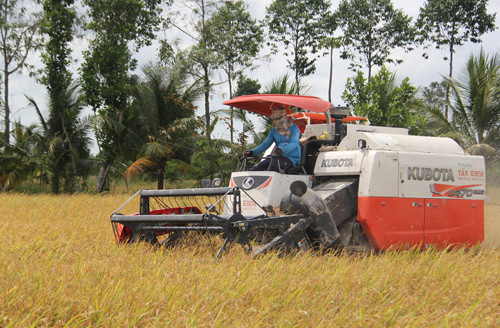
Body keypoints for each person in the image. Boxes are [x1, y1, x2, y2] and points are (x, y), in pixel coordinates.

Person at [243, 106, 301, 172]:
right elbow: (265, 144)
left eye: (278, 118)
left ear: (284, 117)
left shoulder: (294, 128)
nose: (276, 121)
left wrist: (283, 150)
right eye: (275, 118)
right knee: (255, 169)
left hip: (291, 159)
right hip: (276, 158)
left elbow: (294, 143)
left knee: (273, 168)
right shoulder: (273, 131)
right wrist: (253, 152)